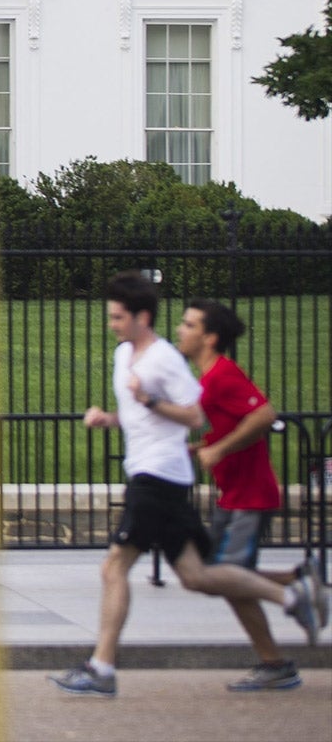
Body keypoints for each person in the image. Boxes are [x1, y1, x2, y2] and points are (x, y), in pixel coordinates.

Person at [50, 272, 322, 697]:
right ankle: (291, 598)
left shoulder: (164, 360)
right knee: (196, 575)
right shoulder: (124, 356)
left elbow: (195, 417)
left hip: (157, 477)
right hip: (159, 475)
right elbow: (145, 417)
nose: (112, 324)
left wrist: (150, 401)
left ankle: (101, 668)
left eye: (119, 317)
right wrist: (112, 419)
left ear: (142, 317)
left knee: (114, 567)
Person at [177, 297, 328, 691]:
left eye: (189, 325)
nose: (180, 330)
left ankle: (277, 658)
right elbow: (229, 427)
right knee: (223, 576)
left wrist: (220, 450)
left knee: (226, 578)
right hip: (234, 495)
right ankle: (295, 583)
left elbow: (264, 415)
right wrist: (200, 450)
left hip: (250, 497)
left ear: (209, 338)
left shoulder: (223, 374)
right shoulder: (208, 380)